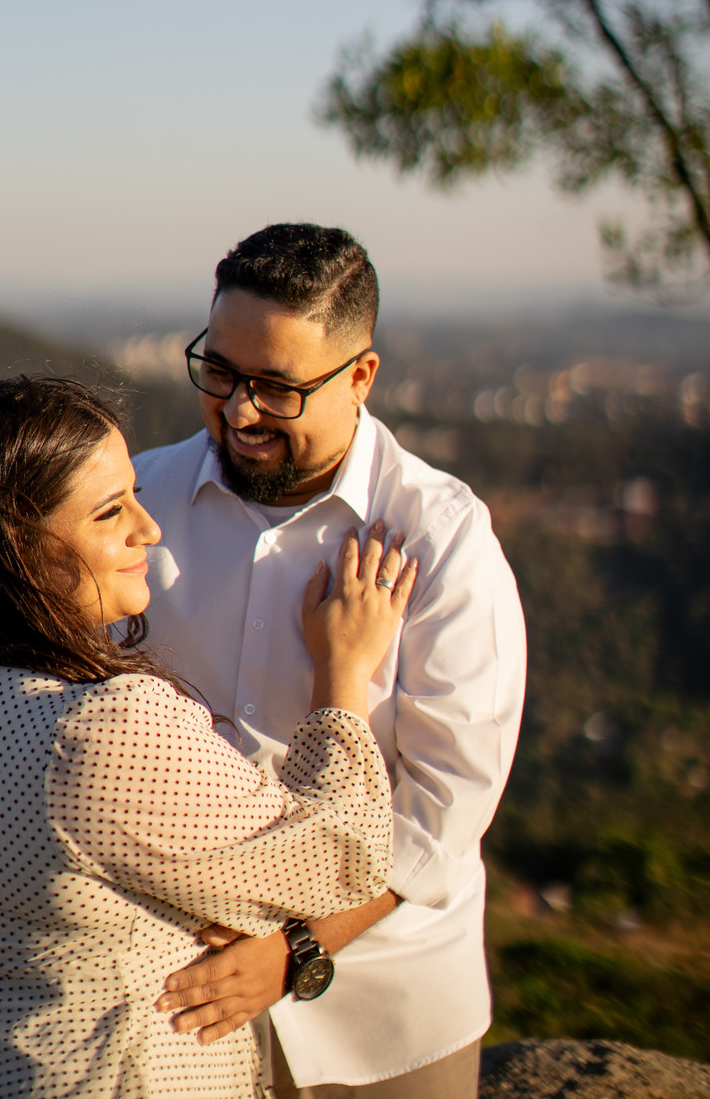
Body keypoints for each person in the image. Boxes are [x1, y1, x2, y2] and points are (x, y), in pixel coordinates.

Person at [0, 374, 413, 1099]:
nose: (147, 529)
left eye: (135, 495)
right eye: (108, 513)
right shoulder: (100, 730)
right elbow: (341, 858)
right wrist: (344, 673)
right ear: (19, 547)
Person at [138, 223, 527, 1099]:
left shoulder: (442, 539)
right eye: (222, 372)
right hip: (178, 1002)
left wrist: (296, 950)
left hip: (386, 1015)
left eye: (276, 388)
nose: (238, 411)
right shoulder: (135, 504)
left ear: (360, 378)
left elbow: (445, 805)